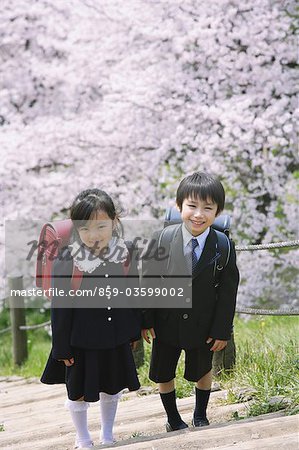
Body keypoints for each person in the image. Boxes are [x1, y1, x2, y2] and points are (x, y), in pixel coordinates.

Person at [41, 189, 141, 448]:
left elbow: (131, 294)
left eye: (101, 226)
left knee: (112, 386)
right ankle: (82, 437)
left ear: (114, 221)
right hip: (81, 340)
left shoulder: (124, 252)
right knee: (78, 391)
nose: (94, 235)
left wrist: (133, 331)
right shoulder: (69, 259)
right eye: (85, 229)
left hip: (115, 335)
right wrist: (60, 346)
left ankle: (107, 434)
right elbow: (60, 306)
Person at [141, 172, 239, 432]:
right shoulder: (160, 239)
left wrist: (221, 329)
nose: (199, 214)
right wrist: (145, 320)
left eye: (208, 208)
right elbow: (147, 281)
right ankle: (172, 418)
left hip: (203, 323)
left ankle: (200, 414)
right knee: (163, 370)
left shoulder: (223, 245)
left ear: (217, 212)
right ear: (179, 206)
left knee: (202, 369)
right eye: (192, 206)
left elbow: (228, 293)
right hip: (166, 321)